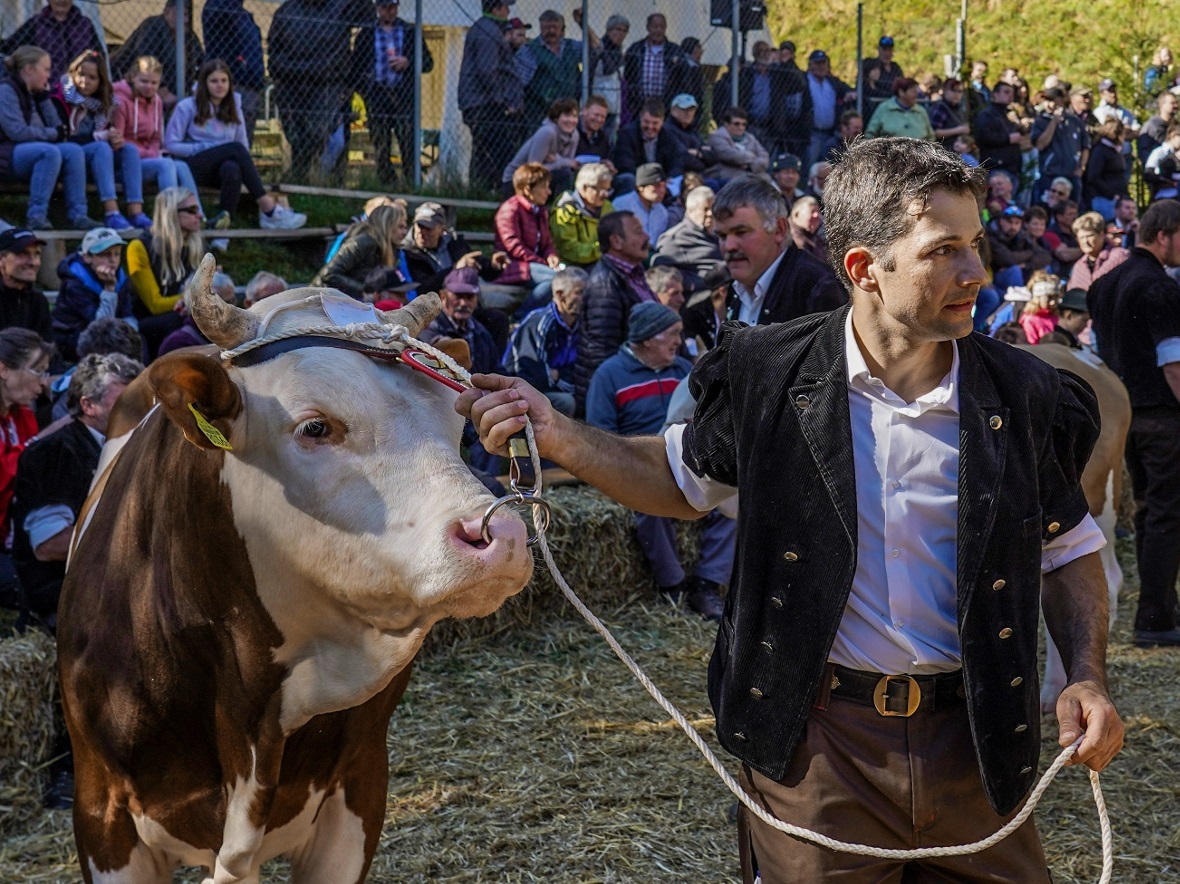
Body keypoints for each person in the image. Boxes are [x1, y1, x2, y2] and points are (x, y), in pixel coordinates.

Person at [457, 136, 1124, 882]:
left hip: (980, 741)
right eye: (945, 251)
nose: (976, 272)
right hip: (816, 755)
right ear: (865, 269)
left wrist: (1086, 674)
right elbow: (678, 480)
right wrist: (563, 436)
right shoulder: (769, 374)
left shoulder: (1023, 394)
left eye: (975, 245)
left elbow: (1067, 552)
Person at [585, 300, 734, 620]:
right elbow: (599, 436)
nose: (679, 341)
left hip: (689, 459)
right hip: (639, 465)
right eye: (673, 334)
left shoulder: (684, 370)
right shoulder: (609, 375)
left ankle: (708, 582)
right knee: (649, 506)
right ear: (649, 338)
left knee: (734, 497)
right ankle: (674, 585)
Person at [1087, 198, 1180, 647]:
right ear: (1164, 235)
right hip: (1162, 414)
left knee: (1149, 512)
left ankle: (1160, 610)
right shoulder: (1161, 287)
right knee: (1166, 514)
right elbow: (1174, 364)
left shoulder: (1103, 284)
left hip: (1120, 417)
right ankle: (1156, 619)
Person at [13, 351, 142, 630]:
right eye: (125, 398)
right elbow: (48, 545)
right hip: (64, 595)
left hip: (105, 583)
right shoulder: (55, 452)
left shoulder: (122, 446)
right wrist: (137, 542)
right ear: (88, 405)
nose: (138, 408)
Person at [165, 60, 307, 232]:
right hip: (191, 166)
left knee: (232, 168)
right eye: (214, 81)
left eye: (224, 81)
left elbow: (243, 145)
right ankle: (268, 208)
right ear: (204, 83)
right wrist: (204, 147)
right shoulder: (187, 106)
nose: (220, 86)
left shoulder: (234, 106)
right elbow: (171, 144)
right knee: (234, 148)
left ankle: (222, 232)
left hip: (220, 169)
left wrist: (225, 152)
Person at [714, 174, 844, 326]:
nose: (729, 246)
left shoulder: (818, 288)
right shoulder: (734, 288)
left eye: (741, 232)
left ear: (779, 230)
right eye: (722, 236)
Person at [267, 0, 369, 182]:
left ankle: (301, 177)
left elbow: (367, 14)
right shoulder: (286, 12)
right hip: (292, 84)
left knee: (318, 132)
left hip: (327, 83)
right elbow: (274, 54)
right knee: (297, 135)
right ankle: (302, 178)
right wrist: (292, 69)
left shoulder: (341, 7)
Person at [1, 46, 98, 231]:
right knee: (48, 152)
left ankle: (79, 215)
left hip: (25, 150)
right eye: (45, 69)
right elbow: (17, 132)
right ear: (29, 69)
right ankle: (36, 216)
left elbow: (59, 129)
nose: (49, 75)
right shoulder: (6, 90)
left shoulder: (32, 93)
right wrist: (53, 134)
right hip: (7, 154)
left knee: (73, 150)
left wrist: (44, 100)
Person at [60, 50, 149, 232]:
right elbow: (64, 136)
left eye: (92, 77)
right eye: (81, 75)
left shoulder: (104, 103)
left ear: (101, 81)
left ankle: (136, 212)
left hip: (98, 157)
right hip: (72, 156)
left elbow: (103, 133)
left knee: (129, 150)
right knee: (101, 147)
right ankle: (112, 213)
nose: (85, 81)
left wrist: (114, 138)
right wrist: (100, 138)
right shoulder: (63, 97)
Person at [573, 210, 654, 411]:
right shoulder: (605, 284)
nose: (647, 237)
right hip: (623, 395)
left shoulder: (633, 274)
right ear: (616, 242)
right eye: (638, 232)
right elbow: (602, 350)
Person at [352, 0, 433, 186]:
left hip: (403, 95)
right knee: (381, 142)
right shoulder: (365, 34)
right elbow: (356, 68)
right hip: (378, 94)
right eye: (386, 7)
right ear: (377, 9)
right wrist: (366, 91)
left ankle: (413, 182)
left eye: (394, 7)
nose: (390, 11)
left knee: (407, 141)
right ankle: (387, 183)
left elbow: (428, 62)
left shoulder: (411, 31)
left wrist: (409, 62)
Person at [110, 56, 202, 214]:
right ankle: (170, 218)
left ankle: (198, 215)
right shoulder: (120, 101)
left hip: (148, 159)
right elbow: (119, 142)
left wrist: (152, 153)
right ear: (133, 78)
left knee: (181, 166)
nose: (149, 87)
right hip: (126, 164)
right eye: (144, 81)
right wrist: (148, 154)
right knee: (165, 165)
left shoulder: (157, 101)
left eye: (154, 83)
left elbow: (156, 137)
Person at [0, 326, 50, 614]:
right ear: (4, 369)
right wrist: (41, 442)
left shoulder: (24, 416)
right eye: (36, 371)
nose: (42, 384)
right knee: (23, 589)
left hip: (14, 532)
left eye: (45, 372)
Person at [125, 186, 201, 358]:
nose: (200, 215)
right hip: (146, 323)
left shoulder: (197, 246)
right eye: (192, 210)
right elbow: (155, 304)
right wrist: (188, 300)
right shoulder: (138, 248)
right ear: (171, 213)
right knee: (177, 321)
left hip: (182, 313)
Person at [458, 0, 524, 191]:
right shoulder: (488, 32)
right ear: (496, 8)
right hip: (484, 103)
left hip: (481, 102)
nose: (508, 11)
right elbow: (487, 69)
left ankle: (481, 190)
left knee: (483, 150)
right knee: (499, 151)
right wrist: (501, 101)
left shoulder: (485, 28)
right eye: (505, 7)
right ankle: (496, 190)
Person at [502, 266, 586, 416]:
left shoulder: (580, 324)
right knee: (567, 402)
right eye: (580, 293)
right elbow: (535, 376)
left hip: (556, 389)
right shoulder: (539, 322)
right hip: (520, 392)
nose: (586, 298)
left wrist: (559, 376)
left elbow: (580, 366)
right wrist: (561, 378)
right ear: (560, 295)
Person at [51, 226, 138, 363]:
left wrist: (132, 333)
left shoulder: (120, 277)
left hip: (108, 331)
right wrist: (109, 289)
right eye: (105, 254)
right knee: (106, 344)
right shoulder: (74, 282)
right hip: (72, 336)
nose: (113, 260)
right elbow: (99, 326)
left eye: (117, 254)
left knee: (139, 339)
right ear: (87, 257)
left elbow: (127, 313)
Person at [110, 0, 204, 107]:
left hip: (173, 91)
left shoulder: (188, 34)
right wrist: (162, 90)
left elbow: (201, 61)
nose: (186, 20)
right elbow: (146, 60)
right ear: (167, 12)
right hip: (135, 83)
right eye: (183, 15)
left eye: (188, 16)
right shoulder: (153, 25)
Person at [494, 163, 563, 302]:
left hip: (537, 267)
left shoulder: (541, 211)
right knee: (556, 281)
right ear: (527, 189)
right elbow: (514, 248)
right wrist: (542, 262)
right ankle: (521, 317)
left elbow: (547, 243)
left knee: (567, 280)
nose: (549, 192)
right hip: (515, 267)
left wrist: (551, 256)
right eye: (544, 187)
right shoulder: (510, 210)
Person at [312, 203, 408, 299]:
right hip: (321, 300)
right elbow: (328, 274)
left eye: (405, 227)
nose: (404, 232)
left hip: (345, 302)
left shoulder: (390, 250)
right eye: (400, 227)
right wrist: (364, 291)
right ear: (387, 226)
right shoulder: (361, 243)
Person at [202, 0, 266, 143]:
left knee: (243, 140)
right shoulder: (219, 8)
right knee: (227, 139)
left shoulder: (243, 16)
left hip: (249, 84)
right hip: (232, 84)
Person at [0, 0, 102, 83]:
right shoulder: (36, 24)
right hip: (48, 89)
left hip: (82, 87)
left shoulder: (84, 24)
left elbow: (99, 55)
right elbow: (9, 50)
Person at [502, 98, 581, 197]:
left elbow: (569, 166)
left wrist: (557, 159)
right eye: (566, 115)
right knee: (564, 175)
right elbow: (532, 170)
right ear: (556, 118)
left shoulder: (575, 135)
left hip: (544, 179)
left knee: (570, 175)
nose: (571, 120)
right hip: (517, 181)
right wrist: (561, 162)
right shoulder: (547, 132)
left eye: (574, 116)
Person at [523, 10, 590, 128]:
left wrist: (583, 24)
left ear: (562, 29)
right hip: (539, 115)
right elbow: (521, 81)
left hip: (569, 113)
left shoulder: (572, 46)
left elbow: (598, 48)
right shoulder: (529, 50)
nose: (551, 31)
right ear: (540, 28)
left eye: (555, 27)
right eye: (546, 27)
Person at [653, 185, 722, 292]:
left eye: (712, 208)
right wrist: (705, 281)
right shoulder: (674, 239)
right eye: (705, 209)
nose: (710, 213)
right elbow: (662, 277)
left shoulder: (720, 232)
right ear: (690, 210)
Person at [622, 13, 689, 120]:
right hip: (640, 103)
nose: (658, 30)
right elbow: (628, 75)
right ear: (648, 28)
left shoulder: (674, 50)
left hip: (666, 104)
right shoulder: (636, 49)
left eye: (662, 27)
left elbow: (682, 78)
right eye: (655, 27)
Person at [551, 162, 615, 268]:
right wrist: (603, 250)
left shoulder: (607, 207)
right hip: (575, 266)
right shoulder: (566, 210)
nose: (606, 195)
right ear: (585, 188)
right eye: (601, 190)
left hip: (604, 260)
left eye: (608, 190)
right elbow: (569, 249)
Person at [158, 270, 235, 355]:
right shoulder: (177, 343)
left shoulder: (235, 334)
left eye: (233, 301)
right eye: (222, 304)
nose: (231, 309)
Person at [612, 98, 681, 188]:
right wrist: (650, 181)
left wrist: (667, 179)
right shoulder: (627, 134)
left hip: (661, 182)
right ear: (640, 117)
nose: (650, 127)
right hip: (637, 180)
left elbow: (677, 163)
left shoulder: (669, 137)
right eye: (646, 122)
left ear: (662, 121)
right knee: (629, 179)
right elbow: (625, 165)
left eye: (655, 123)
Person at [0, 228, 53, 341]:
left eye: (37, 254)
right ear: (1, 259)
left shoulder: (38, 301)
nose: (33, 262)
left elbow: (48, 350)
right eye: (23, 253)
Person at [989, 205, 1051, 289]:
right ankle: (1019, 300)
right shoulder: (992, 236)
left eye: (1017, 223)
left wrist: (1026, 265)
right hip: (996, 277)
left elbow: (1045, 256)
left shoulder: (1022, 235)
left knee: (1046, 268)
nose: (1013, 227)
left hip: (1020, 272)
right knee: (1015, 270)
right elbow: (1009, 259)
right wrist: (1030, 253)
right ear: (1001, 221)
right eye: (1010, 222)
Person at [973, 80, 1024, 182]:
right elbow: (983, 137)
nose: (1010, 96)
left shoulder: (1008, 114)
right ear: (995, 94)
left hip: (1012, 167)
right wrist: (1008, 138)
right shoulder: (986, 115)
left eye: (1012, 93)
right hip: (996, 166)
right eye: (1006, 92)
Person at [706, 106, 771, 184]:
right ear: (726, 124)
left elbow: (764, 157)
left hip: (750, 173)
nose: (741, 127)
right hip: (726, 174)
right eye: (736, 124)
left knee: (767, 181)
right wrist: (752, 156)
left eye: (744, 124)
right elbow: (730, 155)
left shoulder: (750, 138)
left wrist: (750, 166)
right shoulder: (716, 136)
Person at [588, 15, 628, 139]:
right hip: (598, 103)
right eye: (617, 29)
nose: (620, 34)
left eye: (624, 31)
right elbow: (608, 69)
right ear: (609, 30)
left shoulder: (618, 50)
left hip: (613, 106)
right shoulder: (600, 47)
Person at [1068, 210, 1130, 291]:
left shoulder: (1119, 256)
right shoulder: (1078, 267)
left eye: (1089, 236)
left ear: (1101, 235)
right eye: (1081, 238)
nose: (1085, 241)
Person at [612, 163, 671, 243]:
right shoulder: (622, 205)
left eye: (664, 186)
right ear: (640, 187)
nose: (662, 190)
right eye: (657, 186)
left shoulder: (662, 212)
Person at [864, 78, 935, 141]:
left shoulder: (921, 111)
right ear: (901, 92)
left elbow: (931, 137)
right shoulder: (884, 109)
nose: (916, 95)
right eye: (913, 92)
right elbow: (870, 134)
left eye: (916, 92)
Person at [1084, 118, 1128, 221]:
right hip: (1105, 200)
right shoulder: (1101, 151)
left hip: (1116, 199)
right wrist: (1112, 194)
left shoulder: (1114, 151)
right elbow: (1093, 177)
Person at [860, 35, 904, 119]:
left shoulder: (896, 68)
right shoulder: (870, 64)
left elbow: (900, 88)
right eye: (884, 50)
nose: (887, 53)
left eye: (889, 50)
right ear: (879, 50)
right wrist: (871, 83)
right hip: (873, 108)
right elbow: (866, 89)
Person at [928, 78, 971, 150]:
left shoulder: (958, 108)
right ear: (945, 90)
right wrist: (958, 130)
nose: (957, 94)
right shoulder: (940, 108)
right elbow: (934, 133)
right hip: (943, 150)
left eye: (960, 91)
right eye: (953, 90)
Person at [574, 94, 613, 167]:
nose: (599, 120)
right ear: (584, 111)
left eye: (603, 117)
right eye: (596, 115)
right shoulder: (573, 132)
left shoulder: (604, 138)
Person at [787, 195, 827, 264]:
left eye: (818, 212)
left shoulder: (815, 238)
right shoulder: (790, 240)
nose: (817, 215)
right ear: (796, 214)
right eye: (812, 211)